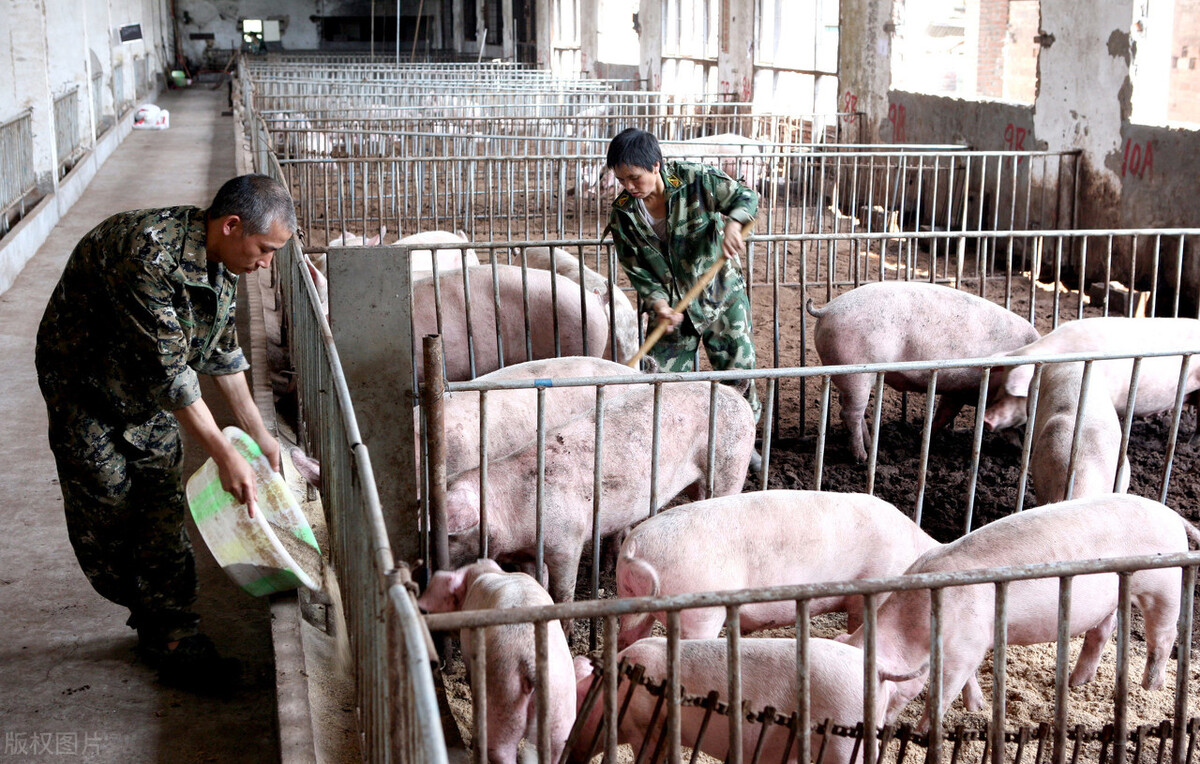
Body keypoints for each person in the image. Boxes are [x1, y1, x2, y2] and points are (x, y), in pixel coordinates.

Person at [35, 173, 296, 691]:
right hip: (86, 392)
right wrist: (223, 453)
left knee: (158, 506)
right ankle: (149, 610)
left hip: (146, 393)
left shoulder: (223, 261)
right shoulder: (146, 257)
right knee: (109, 513)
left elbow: (220, 353)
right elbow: (173, 377)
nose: (267, 263)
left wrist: (260, 435)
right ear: (231, 224)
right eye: (265, 249)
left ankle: (174, 634)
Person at [605, 128, 761, 422]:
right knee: (658, 381)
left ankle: (744, 435)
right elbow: (638, 270)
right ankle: (673, 441)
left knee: (738, 371)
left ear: (656, 165)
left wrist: (734, 223)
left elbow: (746, 197)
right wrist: (659, 303)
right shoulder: (622, 215)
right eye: (621, 179)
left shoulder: (695, 180)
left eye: (634, 177)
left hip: (720, 292)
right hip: (673, 309)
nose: (628, 186)